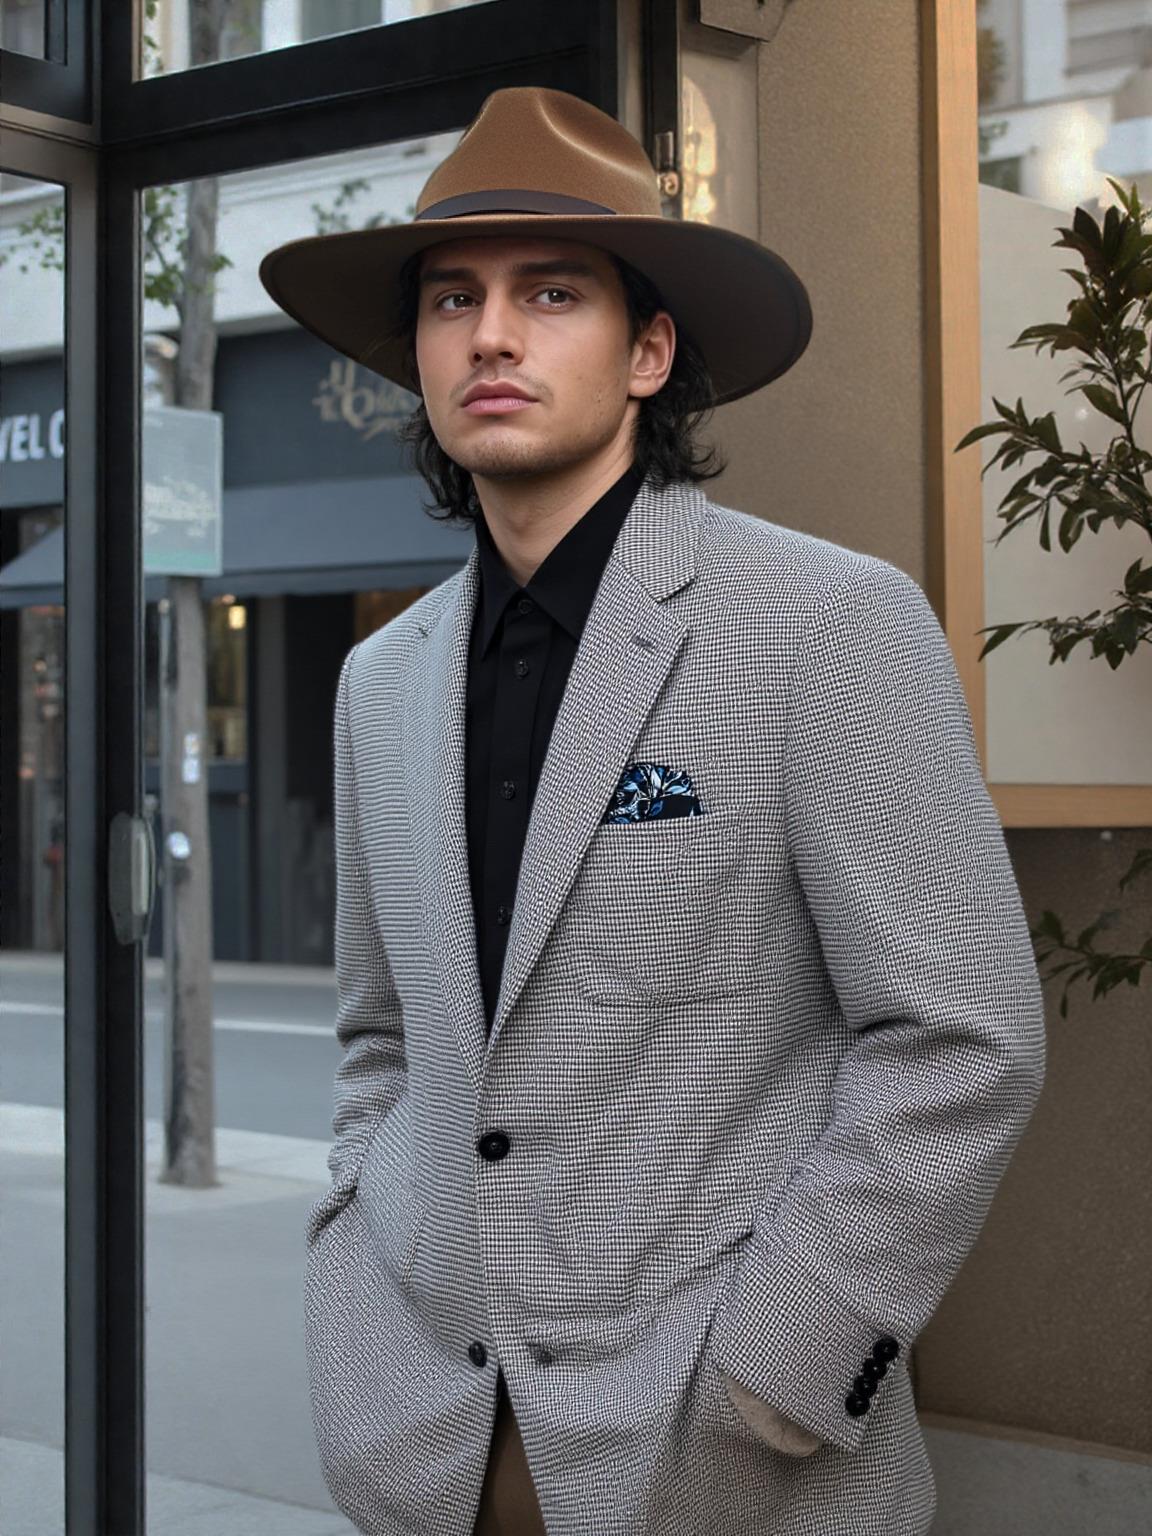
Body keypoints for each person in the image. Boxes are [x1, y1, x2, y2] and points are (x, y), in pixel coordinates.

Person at [259, 86, 1046, 1536]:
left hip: (722, 1444)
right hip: (432, 1432)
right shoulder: (383, 679)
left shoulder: (825, 623)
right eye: (452, 299)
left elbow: (960, 1037)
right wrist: (358, 1269)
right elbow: (385, 1041)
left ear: (649, 352)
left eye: (551, 293)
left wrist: (781, 1372)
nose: (491, 336)